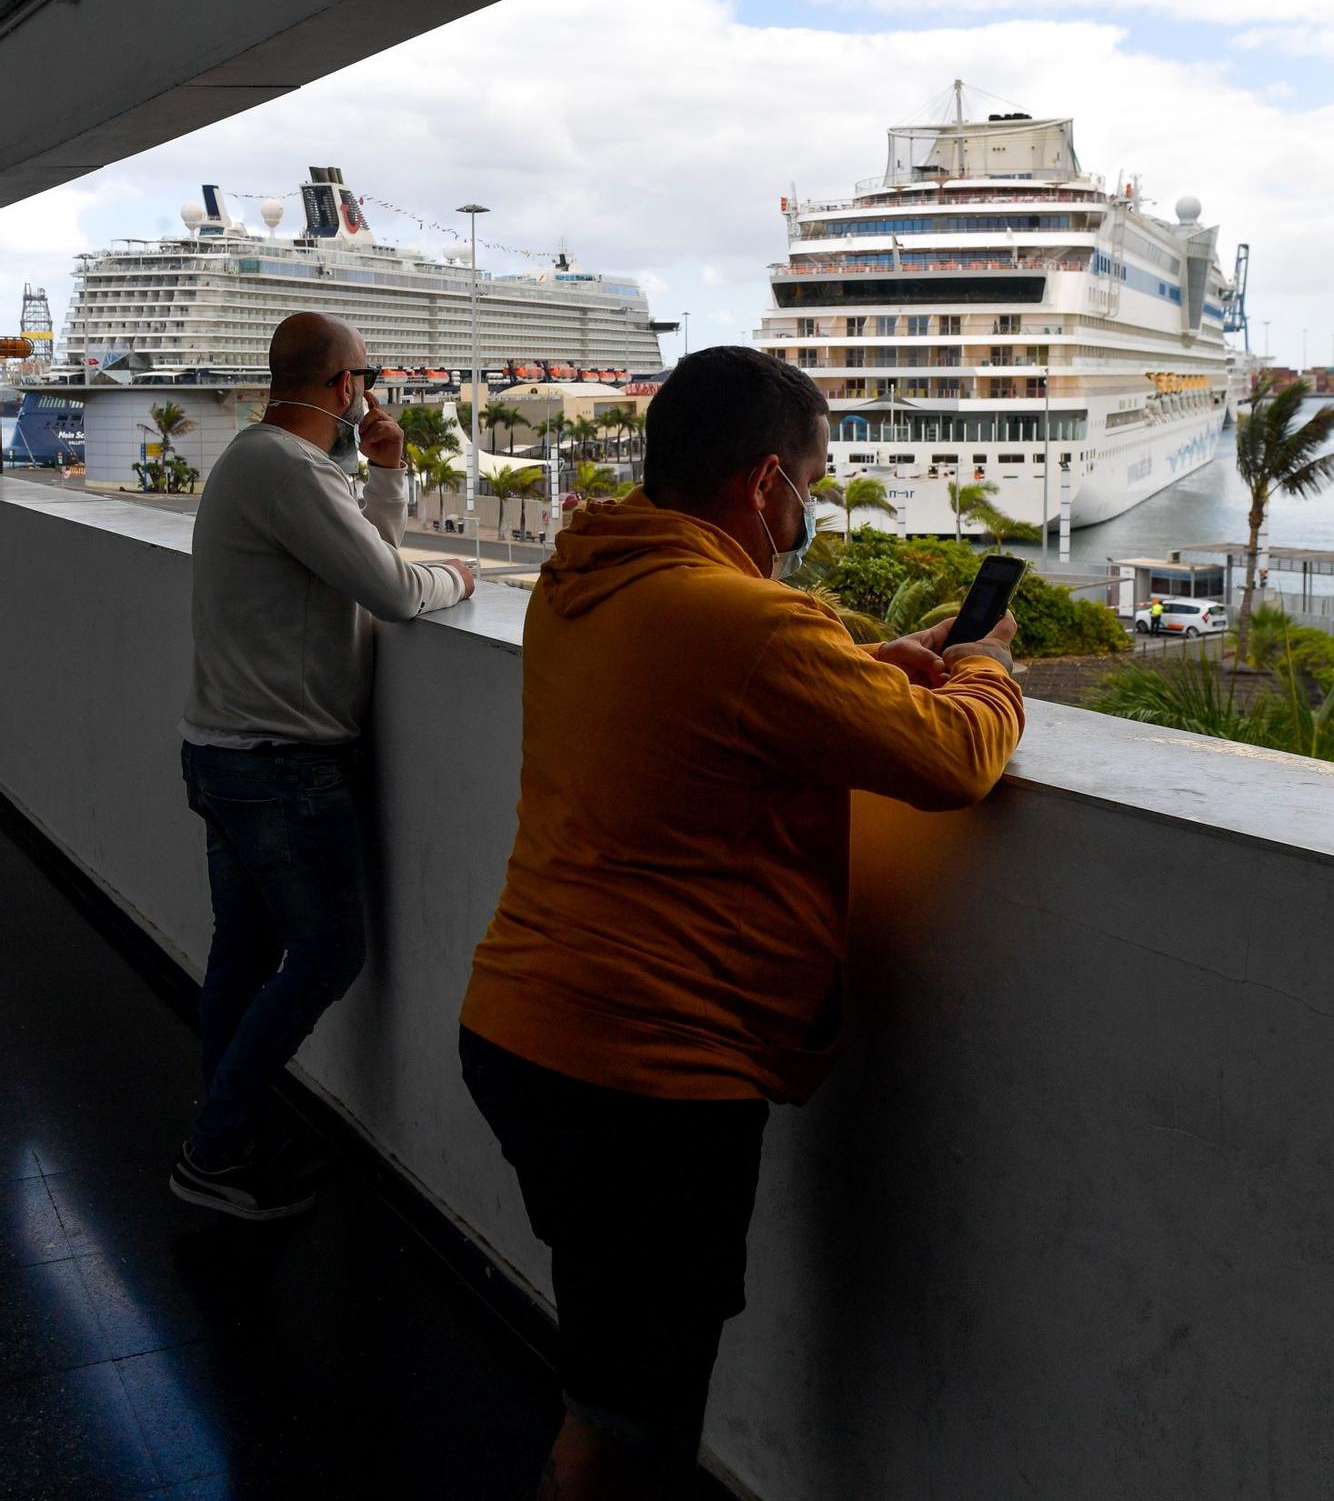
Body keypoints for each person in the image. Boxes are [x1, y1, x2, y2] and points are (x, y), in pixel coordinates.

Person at [459, 346, 1024, 1498]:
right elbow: (951, 758)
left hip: (525, 1031)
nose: (809, 505)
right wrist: (983, 668)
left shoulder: (587, 577)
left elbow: (704, 704)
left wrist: (866, 669)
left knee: (611, 1354)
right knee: (631, 1417)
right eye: (811, 480)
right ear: (765, 482)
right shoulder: (748, 621)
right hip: (645, 1074)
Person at [170, 312, 474, 1222]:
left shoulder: (269, 464)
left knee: (246, 952)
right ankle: (215, 1146)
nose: (370, 390)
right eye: (366, 375)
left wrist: (384, 472)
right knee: (328, 952)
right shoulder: (288, 470)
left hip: (229, 751)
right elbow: (391, 587)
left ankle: (225, 1132)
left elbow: (363, 556)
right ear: (345, 384)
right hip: (279, 766)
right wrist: (455, 576)